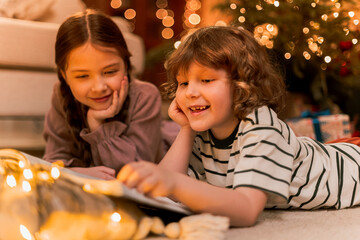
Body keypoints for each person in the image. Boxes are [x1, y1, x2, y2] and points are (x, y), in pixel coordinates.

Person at [117, 25, 360, 227]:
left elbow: (246, 210)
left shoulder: (261, 127)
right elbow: (166, 192)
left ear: (242, 84)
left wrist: (174, 183)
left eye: (206, 80)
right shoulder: (205, 131)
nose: (190, 92)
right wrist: (187, 128)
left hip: (350, 172)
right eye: (183, 83)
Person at [43, 9, 164, 180]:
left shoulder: (145, 96)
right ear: (64, 76)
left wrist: (99, 128)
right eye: (83, 76)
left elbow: (135, 176)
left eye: (110, 72)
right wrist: (76, 173)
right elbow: (53, 161)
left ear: (126, 65)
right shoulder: (62, 94)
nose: (99, 87)